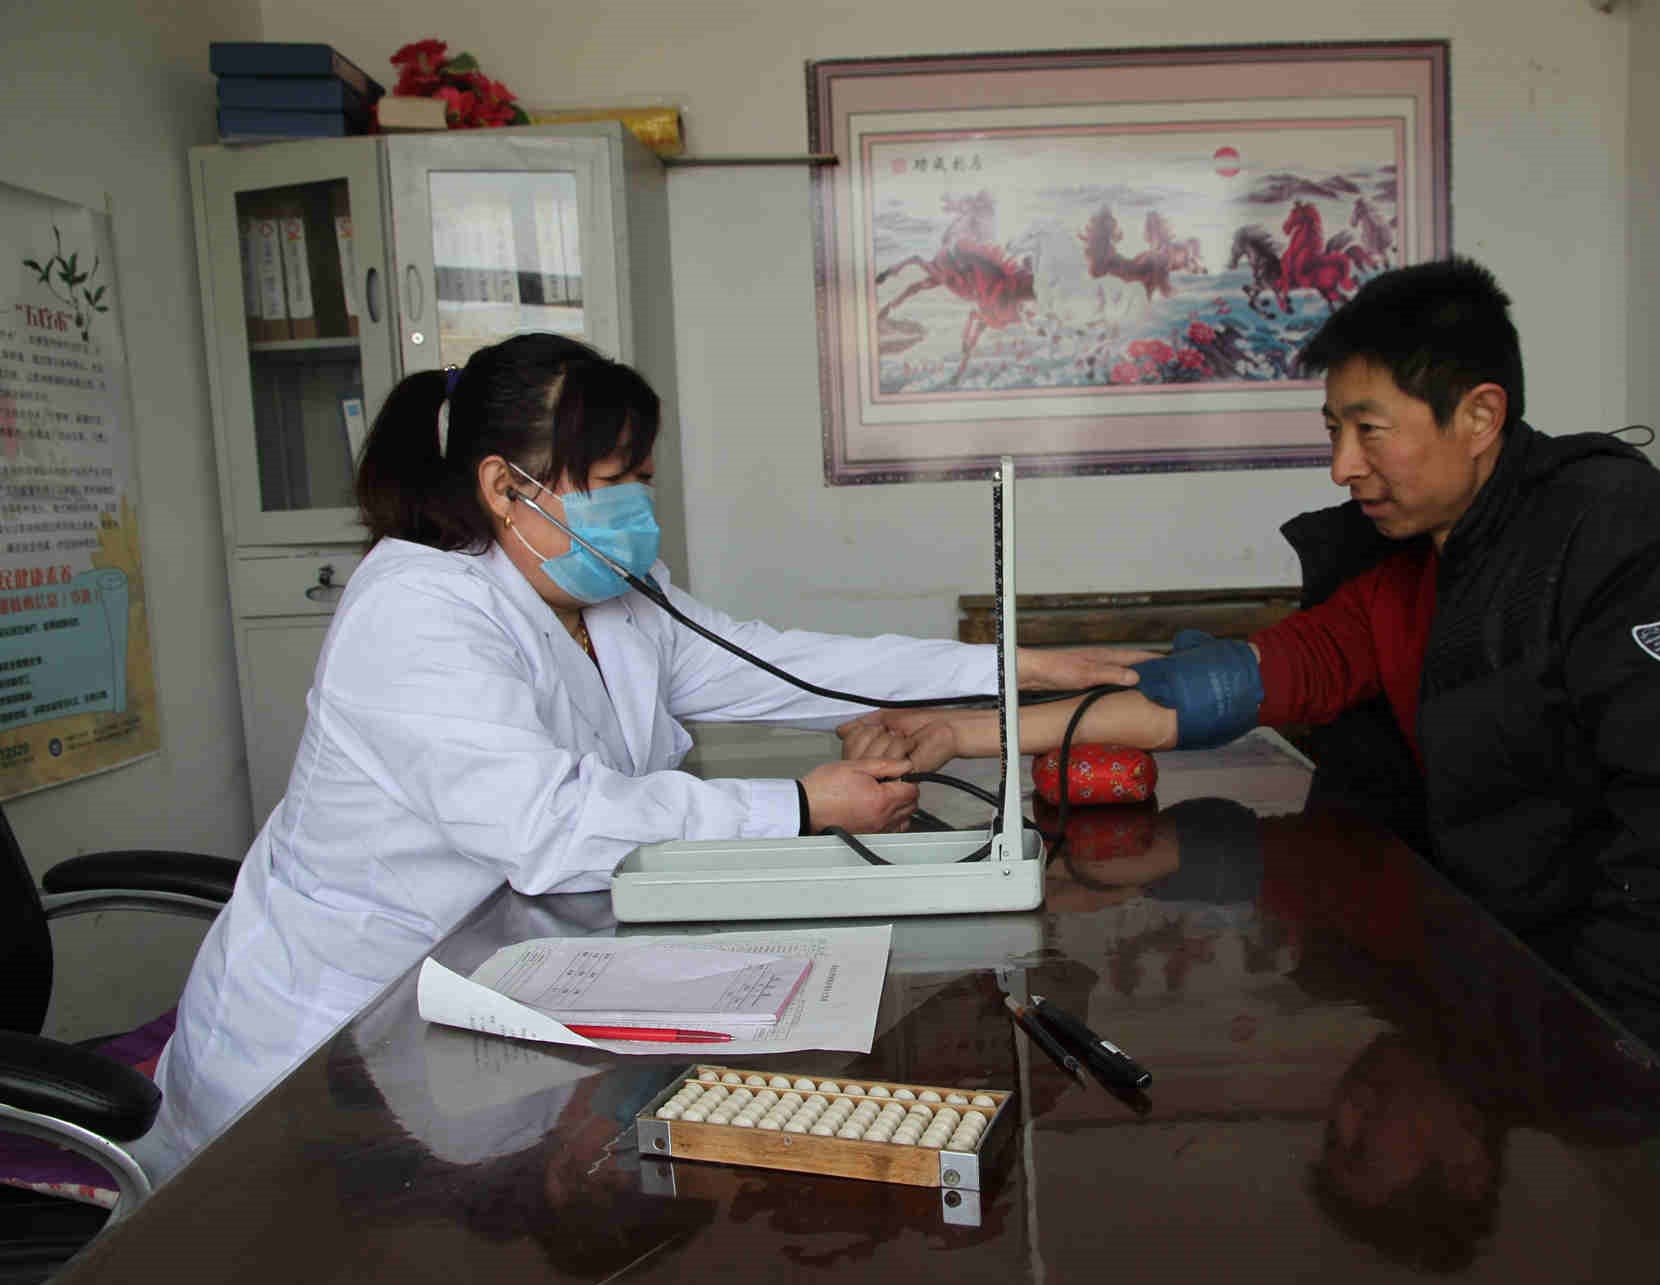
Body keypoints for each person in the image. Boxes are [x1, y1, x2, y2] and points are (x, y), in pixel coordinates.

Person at [859, 258, 1660, 1154]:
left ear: (1479, 416)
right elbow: (1205, 692)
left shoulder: (1636, 547)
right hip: (1553, 1003)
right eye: (1333, 430)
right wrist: (957, 732)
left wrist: (1591, 1056)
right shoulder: (1413, 568)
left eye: (1367, 430)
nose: (1341, 464)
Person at [139, 333, 1141, 1183]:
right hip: (329, 1047)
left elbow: (788, 664)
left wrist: (1012, 664)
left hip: (503, 995)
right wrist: (800, 806)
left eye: (642, 479)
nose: (637, 507)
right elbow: (553, 826)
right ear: (504, 486)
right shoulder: (415, 611)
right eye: (612, 482)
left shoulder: (609, 593)